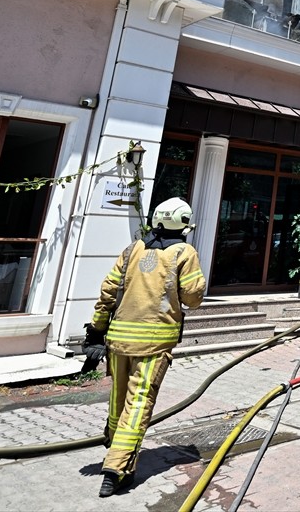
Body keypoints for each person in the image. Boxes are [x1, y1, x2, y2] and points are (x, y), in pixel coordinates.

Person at [83, 197, 206, 498]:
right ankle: (116, 468)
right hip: (154, 342)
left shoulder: (133, 248)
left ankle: (113, 442)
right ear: (184, 225)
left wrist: (96, 332)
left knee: (118, 396)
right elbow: (193, 297)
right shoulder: (184, 252)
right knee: (138, 403)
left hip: (118, 339)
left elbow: (108, 291)